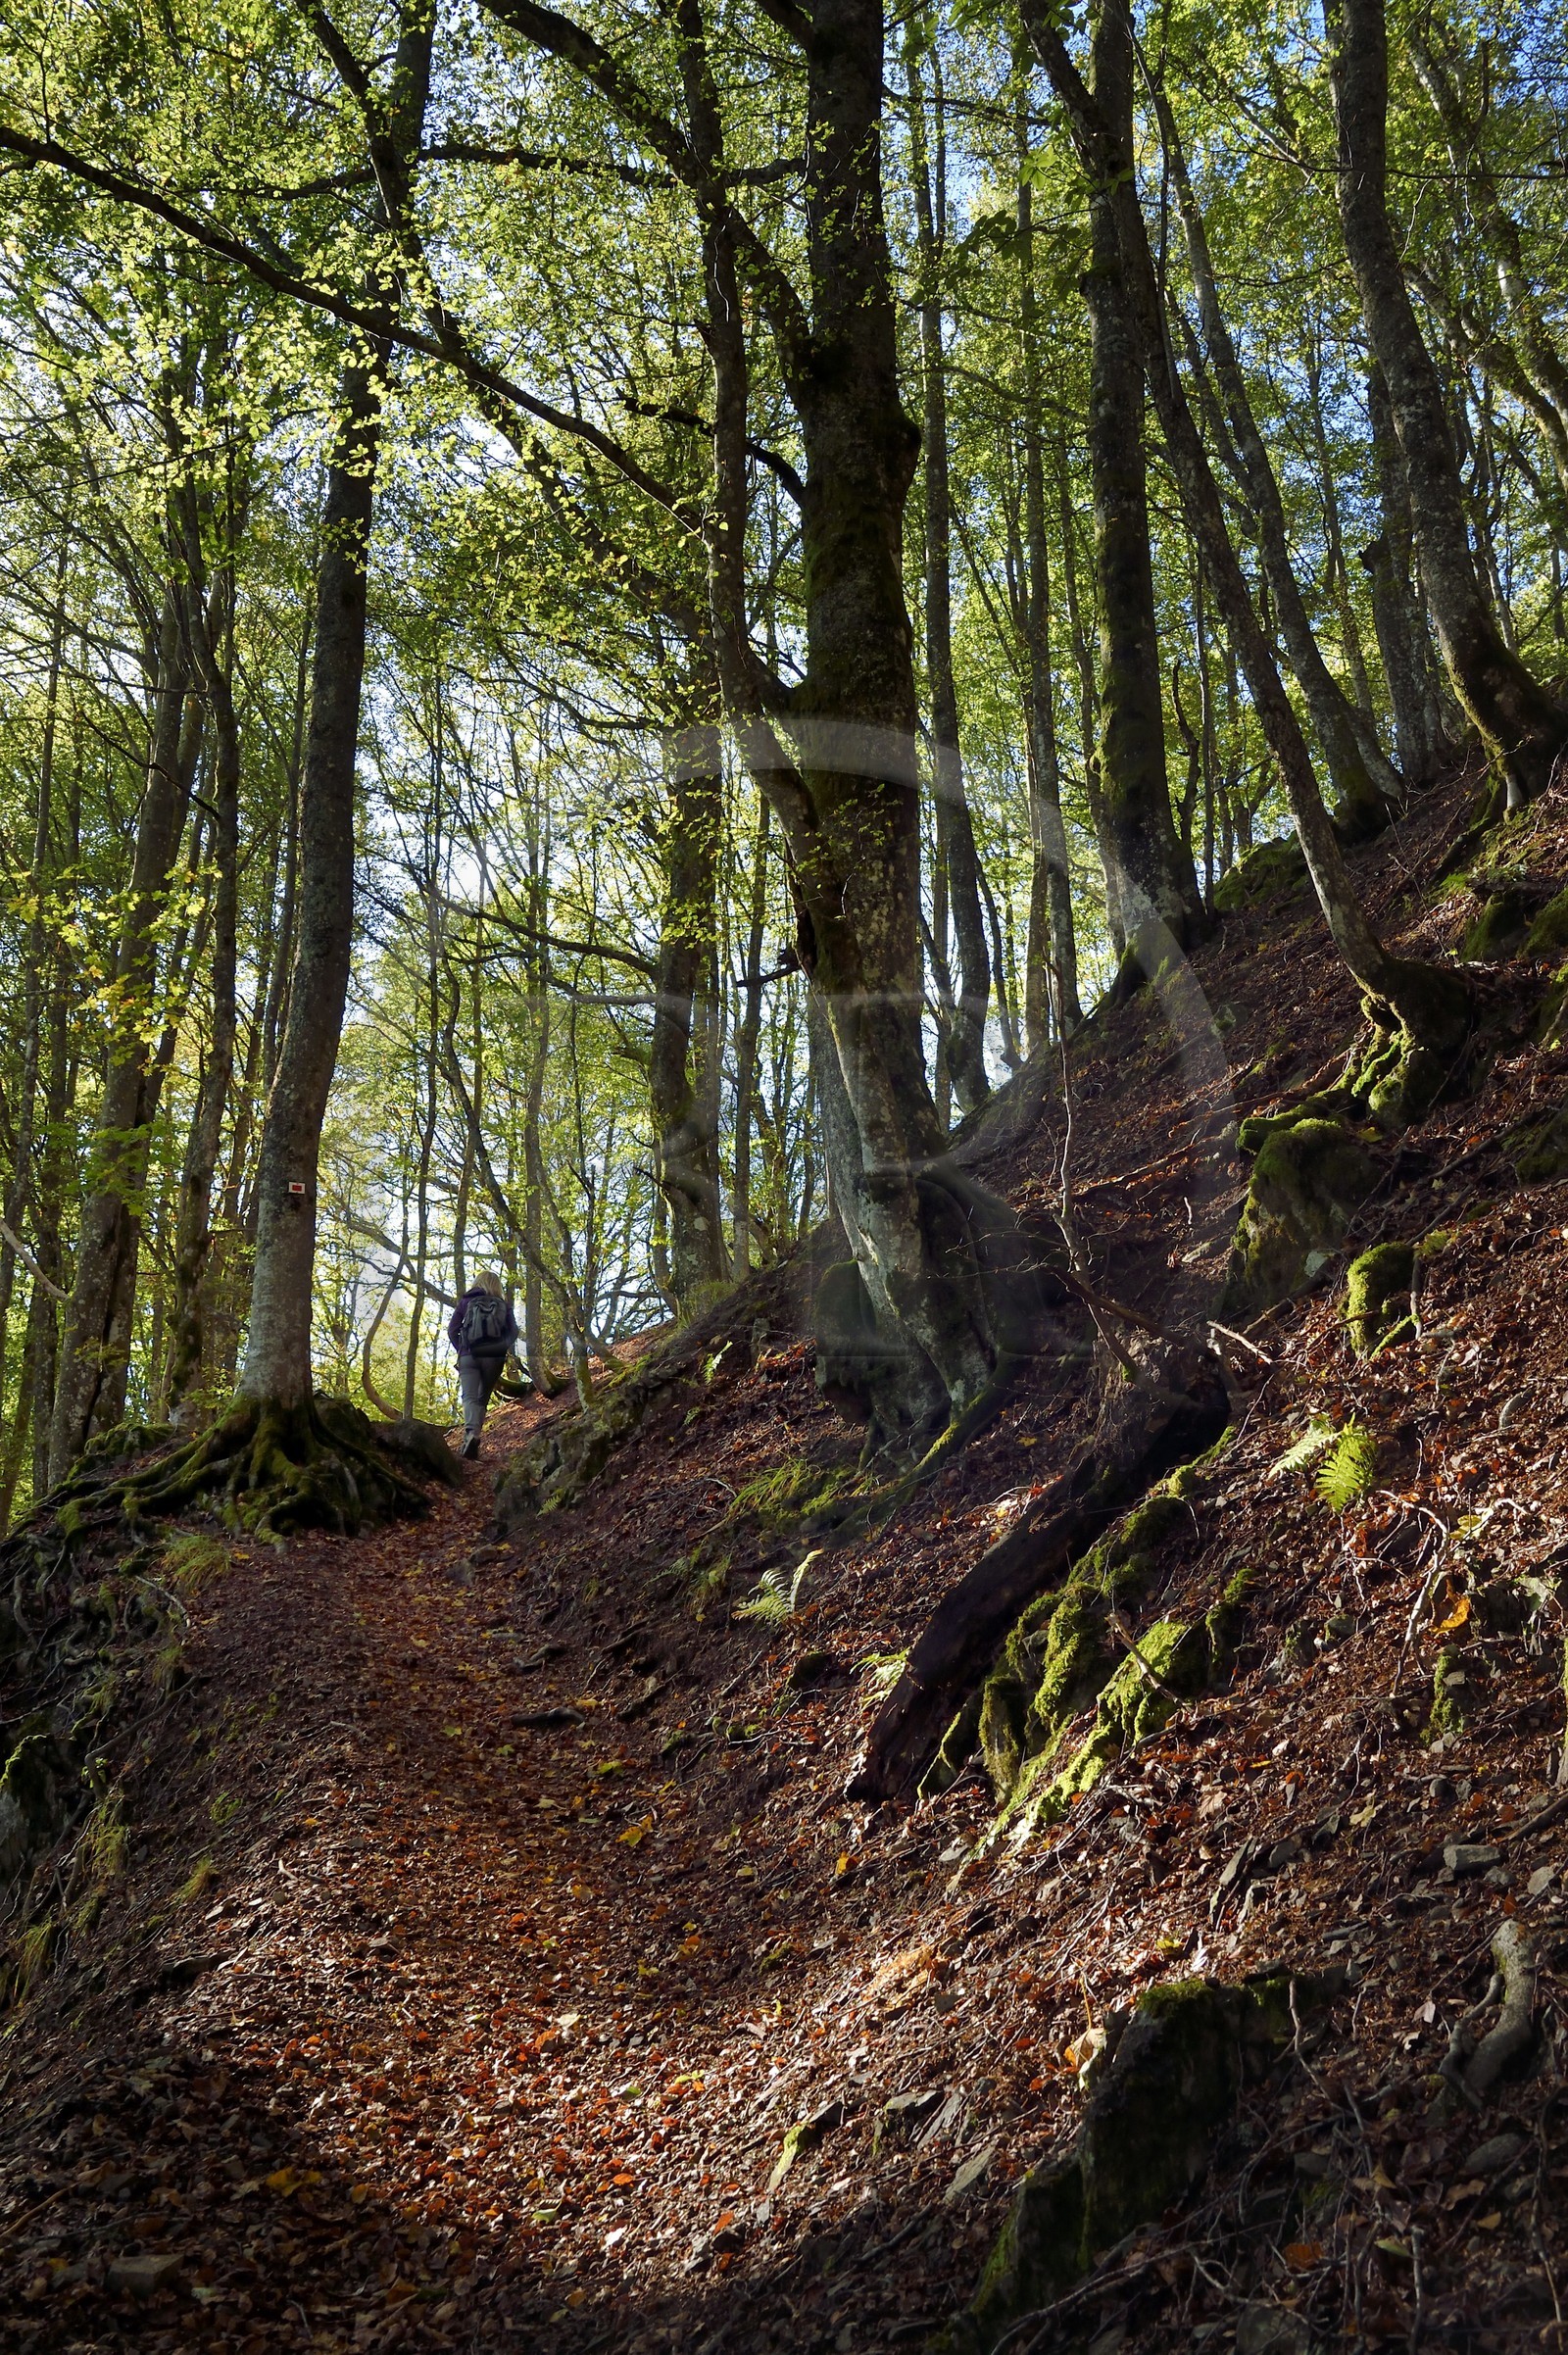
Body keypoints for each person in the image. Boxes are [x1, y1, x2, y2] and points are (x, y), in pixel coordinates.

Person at [447, 1271, 518, 1459]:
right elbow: (514, 1332)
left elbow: (452, 1330)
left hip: (468, 1355)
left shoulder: (466, 1302)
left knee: (469, 1396)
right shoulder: (503, 1305)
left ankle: (471, 1434)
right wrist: (501, 1347)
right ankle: (474, 1436)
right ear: (497, 1286)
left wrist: (462, 1349)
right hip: (493, 1357)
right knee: (482, 1399)